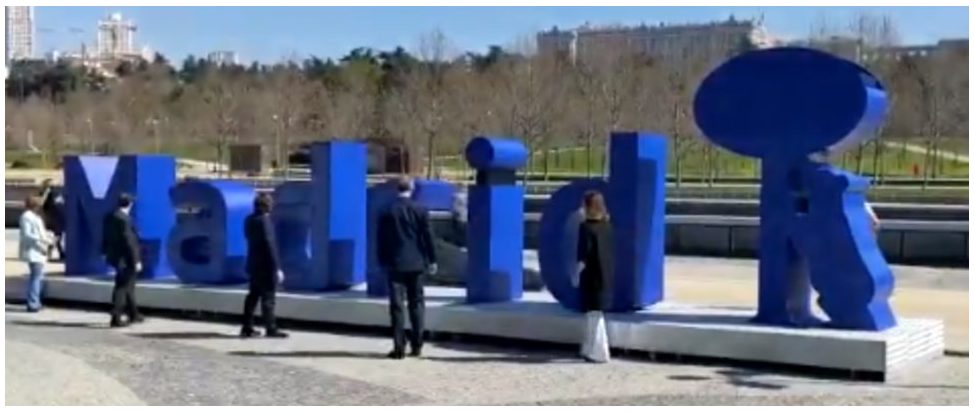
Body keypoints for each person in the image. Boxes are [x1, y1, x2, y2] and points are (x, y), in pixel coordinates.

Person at [377, 177, 438, 359]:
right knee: (417, 303)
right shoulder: (420, 209)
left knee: (396, 306)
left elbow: (382, 240)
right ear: (411, 189)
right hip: (417, 263)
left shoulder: (387, 211)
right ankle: (417, 344)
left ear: (397, 189)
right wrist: (432, 259)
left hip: (395, 263)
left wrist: (382, 260)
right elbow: (428, 236)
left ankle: (399, 347)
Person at [240, 192, 288, 339]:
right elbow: (269, 244)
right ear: (267, 205)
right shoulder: (264, 221)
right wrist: (277, 267)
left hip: (253, 263)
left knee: (252, 297)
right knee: (268, 299)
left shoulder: (249, 220)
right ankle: (271, 328)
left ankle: (247, 327)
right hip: (266, 266)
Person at [574, 190, 613, 363]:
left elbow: (584, 255)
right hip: (605, 276)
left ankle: (598, 352)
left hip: (591, 277)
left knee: (593, 317)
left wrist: (576, 274)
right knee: (595, 316)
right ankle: (590, 348)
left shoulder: (585, 228)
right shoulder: (606, 226)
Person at [102, 193, 144, 327]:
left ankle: (134, 314)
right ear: (130, 204)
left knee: (128, 286)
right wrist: (136, 260)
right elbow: (129, 241)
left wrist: (104, 252)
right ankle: (116, 316)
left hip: (116, 257)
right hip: (126, 259)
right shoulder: (125, 220)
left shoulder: (110, 217)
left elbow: (105, 237)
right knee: (122, 287)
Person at [19, 195, 53, 313]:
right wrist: (43, 240)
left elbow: (41, 232)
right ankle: (33, 303)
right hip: (33, 251)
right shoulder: (26, 217)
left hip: (39, 250)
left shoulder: (35, 217)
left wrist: (48, 237)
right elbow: (27, 235)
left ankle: (36, 301)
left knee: (38, 277)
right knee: (36, 278)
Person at [38, 179, 65, 262]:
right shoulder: (46, 193)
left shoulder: (60, 191)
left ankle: (60, 253)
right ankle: (52, 251)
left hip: (62, 215)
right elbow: (41, 203)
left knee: (58, 235)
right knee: (57, 235)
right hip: (53, 216)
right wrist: (46, 192)